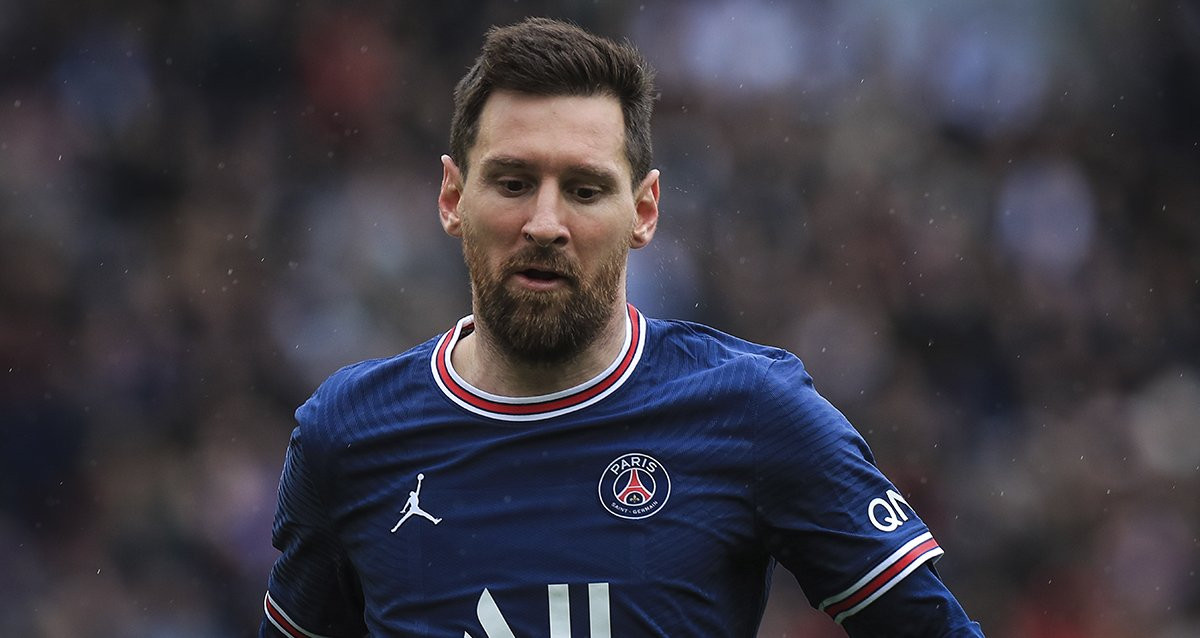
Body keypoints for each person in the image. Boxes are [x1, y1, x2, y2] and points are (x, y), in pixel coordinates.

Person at [260, 17, 985, 638]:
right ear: (453, 197)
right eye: (513, 183)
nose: (545, 223)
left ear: (643, 211)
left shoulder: (753, 414)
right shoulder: (347, 438)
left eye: (584, 189)